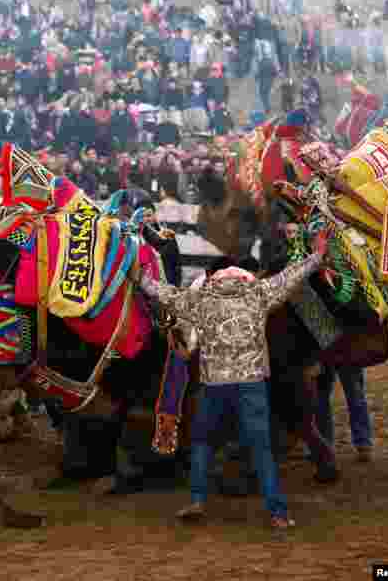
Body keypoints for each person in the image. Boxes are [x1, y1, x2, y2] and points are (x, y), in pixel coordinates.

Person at [134, 227, 331, 529]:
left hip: (214, 386)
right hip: (251, 384)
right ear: (244, 278)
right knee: (261, 448)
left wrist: (139, 277)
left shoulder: (200, 299)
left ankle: (198, 499)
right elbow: (292, 276)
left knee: (201, 443)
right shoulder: (258, 293)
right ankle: (277, 513)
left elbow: (163, 292)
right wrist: (318, 254)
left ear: (215, 279)